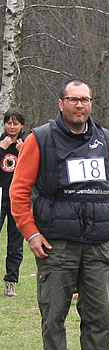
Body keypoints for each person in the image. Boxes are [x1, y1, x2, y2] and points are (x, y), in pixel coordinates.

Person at [10, 79, 109, 350]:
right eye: (73, 99)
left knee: (99, 315)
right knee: (53, 314)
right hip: (55, 244)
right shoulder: (40, 139)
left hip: (96, 245)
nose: (80, 105)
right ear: (61, 103)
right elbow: (19, 191)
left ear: (91, 104)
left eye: (85, 100)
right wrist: (31, 233)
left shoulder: (104, 139)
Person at [0, 108, 27, 297]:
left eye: (15, 123)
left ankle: (11, 281)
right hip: (0, 195)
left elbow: (34, 170)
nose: (11, 126)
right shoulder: (0, 143)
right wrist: (1, 149)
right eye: (8, 122)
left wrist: (23, 152)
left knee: (15, 242)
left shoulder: (27, 144)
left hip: (17, 197)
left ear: (21, 125)